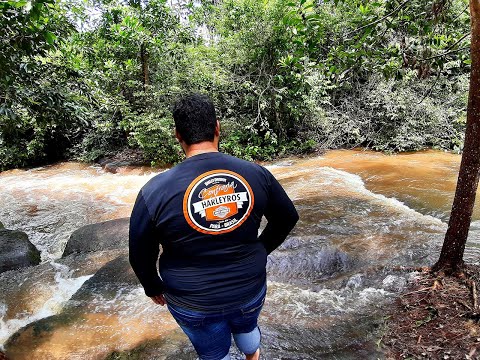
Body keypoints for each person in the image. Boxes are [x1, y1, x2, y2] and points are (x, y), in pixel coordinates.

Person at [129, 93, 299, 360]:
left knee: (213, 353)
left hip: (191, 299)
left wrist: (152, 286)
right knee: (247, 326)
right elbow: (287, 217)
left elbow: (140, 250)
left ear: (177, 135)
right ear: (218, 127)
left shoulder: (154, 190)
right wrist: (260, 249)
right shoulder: (256, 174)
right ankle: (251, 353)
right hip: (248, 287)